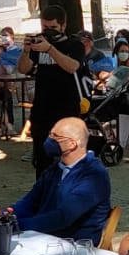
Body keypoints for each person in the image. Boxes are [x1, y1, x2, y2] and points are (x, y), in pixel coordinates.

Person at [0, 116, 111, 243]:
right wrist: (3, 217)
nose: (49, 140)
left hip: (74, 247)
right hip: (43, 239)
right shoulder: (54, 169)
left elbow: (63, 217)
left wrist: (17, 226)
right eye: (50, 134)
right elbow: (30, 202)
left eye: (55, 137)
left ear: (72, 144)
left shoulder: (94, 176)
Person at [24, 12, 85, 172]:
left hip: (66, 111)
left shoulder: (74, 45)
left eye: (53, 27)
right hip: (41, 112)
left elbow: (72, 67)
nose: (49, 31)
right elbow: (24, 68)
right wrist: (25, 50)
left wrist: (50, 49)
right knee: (42, 163)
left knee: (67, 161)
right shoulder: (38, 44)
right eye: (45, 27)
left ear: (63, 26)